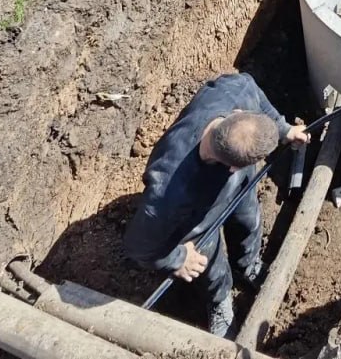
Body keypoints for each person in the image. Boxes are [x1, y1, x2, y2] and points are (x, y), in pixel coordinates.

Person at [123, 72, 309, 337]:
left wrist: (284, 129)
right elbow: (139, 245)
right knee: (207, 256)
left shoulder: (235, 92)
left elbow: (255, 94)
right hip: (196, 212)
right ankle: (220, 299)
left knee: (249, 220)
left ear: (236, 113)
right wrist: (177, 258)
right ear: (232, 168)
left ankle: (248, 265)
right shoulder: (170, 192)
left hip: (238, 185)